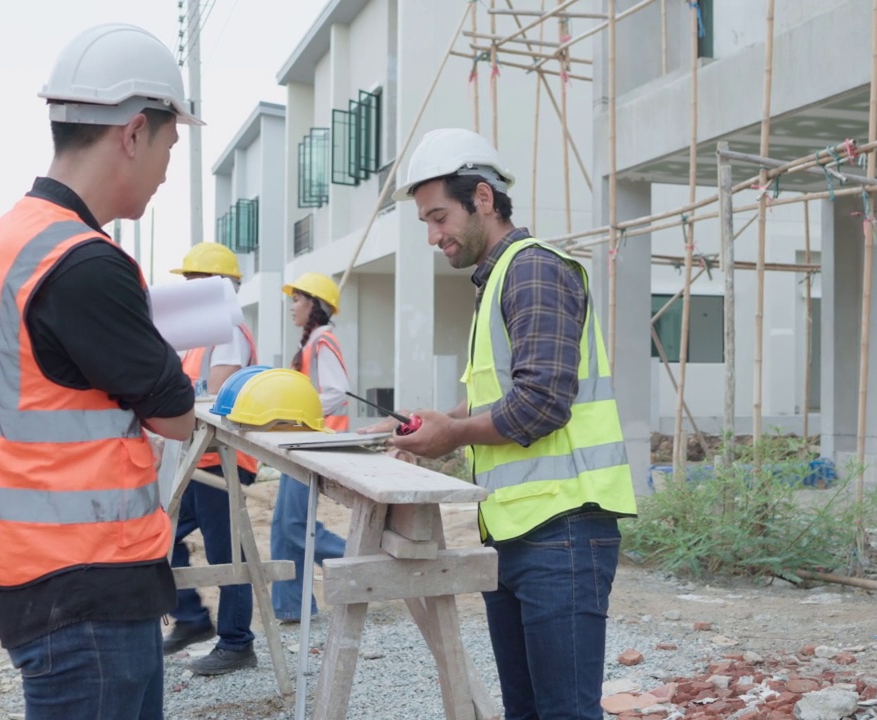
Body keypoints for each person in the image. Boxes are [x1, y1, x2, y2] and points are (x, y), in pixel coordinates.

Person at [0, 23, 200, 720]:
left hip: (35, 570)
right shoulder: (85, 263)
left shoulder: (17, 233)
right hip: (84, 587)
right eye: (168, 147)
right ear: (132, 132)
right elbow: (176, 413)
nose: (163, 171)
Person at [368, 127, 638, 720]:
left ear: (483, 199)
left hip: (562, 531)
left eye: (440, 218)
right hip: (518, 530)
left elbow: (541, 404)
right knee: (527, 712)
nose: (435, 236)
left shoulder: (533, 271)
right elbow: (502, 393)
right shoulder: (498, 281)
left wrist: (452, 436)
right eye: (427, 224)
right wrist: (440, 424)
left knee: (564, 712)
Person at [163, 242, 261, 675]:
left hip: (221, 459)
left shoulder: (227, 329)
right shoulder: (200, 335)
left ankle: (237, 642)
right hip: (197, 458)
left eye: (193, 283)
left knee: (228, 556)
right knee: (163, 537)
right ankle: (192, 617)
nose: (186, 292)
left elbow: (217, 391)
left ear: (216, 287)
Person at [270, 272, 349, 622]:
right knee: (283, 524)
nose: (292, 306)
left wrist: (300, 413)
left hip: (314, 442)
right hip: (301, 441)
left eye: (297, 299)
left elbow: (335, 392)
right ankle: (291, 606)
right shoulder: (313, 341)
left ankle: (358, 563)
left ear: (314, 305)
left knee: (294, 525)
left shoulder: (323, 340)